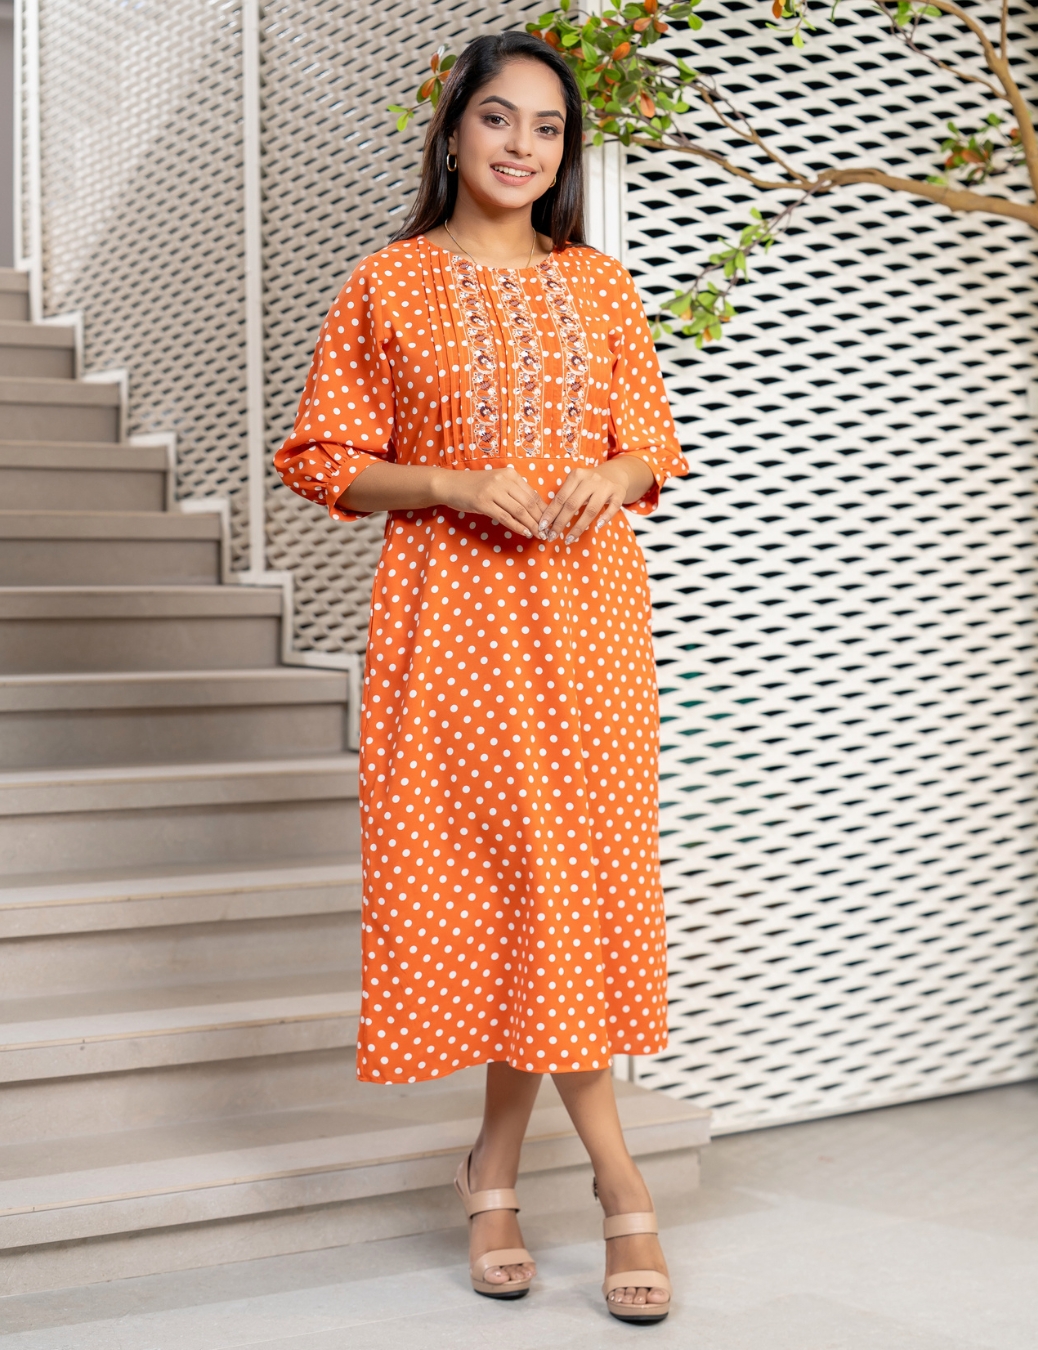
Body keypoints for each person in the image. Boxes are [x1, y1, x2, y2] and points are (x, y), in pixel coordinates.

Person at [274, 29, 688, 1324]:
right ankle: (620, 1180)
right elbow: (323, 459)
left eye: (548, 127)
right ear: (454, 129)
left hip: (590, 624)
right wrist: (451, 479)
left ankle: (492, 1174)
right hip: (453, 624)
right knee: (524, 886)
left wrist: (613, 472)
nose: (523, 145)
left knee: (558, 891)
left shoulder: (601, 284)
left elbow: (652, 442)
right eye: (499, 118)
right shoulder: (388, 282)